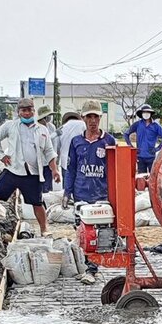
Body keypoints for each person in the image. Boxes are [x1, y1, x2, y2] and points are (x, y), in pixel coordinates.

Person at [0, 98, 60, 237]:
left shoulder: (42, 130)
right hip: (13, 170)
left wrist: (54, 170)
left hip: (32, 173)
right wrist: (1, 155)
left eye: (30, 110)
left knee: (37, 202)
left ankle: (44, 229)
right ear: (19, 112)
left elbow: (49, 151)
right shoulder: (11, 126)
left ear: (34, 111)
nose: (27, 113)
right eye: (24, 110)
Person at [64, 99, 117, 285]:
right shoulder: (76, 142)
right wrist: (67, 192)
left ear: (100, 118)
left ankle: (92, 269)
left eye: (95, 116)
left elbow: (114, 169)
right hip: (81, 193)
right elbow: (71, 168)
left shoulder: (109, 141)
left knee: (99, 233)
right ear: (83, 118)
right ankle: (89, 265)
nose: (92, 120)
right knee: (83, 232)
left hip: (101, 194)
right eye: (89, 117)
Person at [123, 103, 162, 173]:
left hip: (151, 156)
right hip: (140, 156)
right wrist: (131, 147)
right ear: (141, 114)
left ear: (150, 113)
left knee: (152, 176)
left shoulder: (156, 126)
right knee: (141, 178)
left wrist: (157, 148)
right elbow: (126, 134)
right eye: (144, 112)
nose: (146, 114)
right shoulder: (137, 124)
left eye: (147, 112)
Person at [37, 105, 60, 192]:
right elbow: (42, 142)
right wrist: (54, 135)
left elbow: (54, 145)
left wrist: (56, 161)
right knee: (39, 187)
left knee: (48, 188)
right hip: (39, 163)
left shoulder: (51, 127)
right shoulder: (36, 128)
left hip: (49, 163)